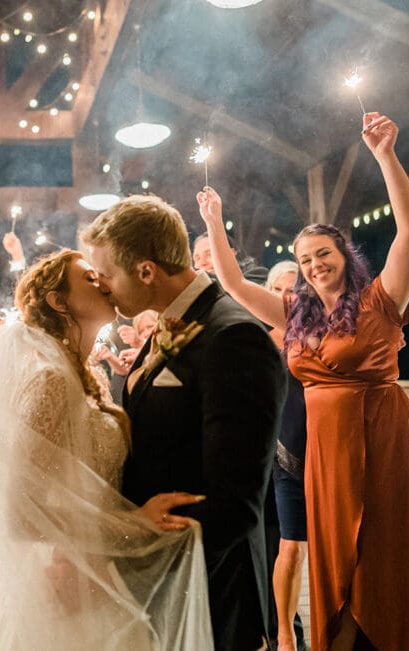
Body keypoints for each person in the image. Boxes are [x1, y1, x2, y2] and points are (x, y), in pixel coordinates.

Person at [197, 112, 409, 650]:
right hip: (324, 453)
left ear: (344, 254)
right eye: (305, 259)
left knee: (386, 551)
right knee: (335, 558)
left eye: (323, 253)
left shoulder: (382, 299)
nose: (315, 264)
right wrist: (213, 220)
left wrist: (385, 155)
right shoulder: (292, 313)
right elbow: (229, 281)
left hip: (384, 439)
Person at [0, 250, 213, 649]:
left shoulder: (89, 372)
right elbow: (17, 513)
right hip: (58, 580)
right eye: (91, 279)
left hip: (97, 570)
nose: (104, 282)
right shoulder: (50, 381)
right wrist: (136, 523)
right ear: (60, 302)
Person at [83, 194, 287, 650]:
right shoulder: (172, 324)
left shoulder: (234, 337)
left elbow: (235, 502)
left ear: (146, 271)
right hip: (161, 585)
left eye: (108, 275)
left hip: (211, 593)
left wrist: (137, 542)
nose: (103, 287)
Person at [265, 261, 308, 651]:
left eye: (293, 288)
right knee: (290, 547)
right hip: (284, 451)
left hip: (327, 449)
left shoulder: (321, 333)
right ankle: (285, 634)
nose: (286, 296)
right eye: (278, 289)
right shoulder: (263, 340)